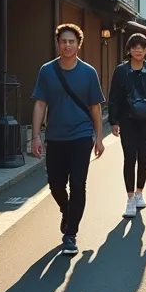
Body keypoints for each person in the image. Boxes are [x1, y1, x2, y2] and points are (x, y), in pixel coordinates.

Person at [30, 24, 107, 256]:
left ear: (78, 44)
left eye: (71, 41)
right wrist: (35, 136)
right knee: (55, 184)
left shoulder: (88, 72)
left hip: (81, 137)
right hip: (55, 137)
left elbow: (95, 108)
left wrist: (99, 138)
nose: (67, 45)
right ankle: (67, 210)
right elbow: (40, 104)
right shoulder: (47, 71)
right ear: (57, 44)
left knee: (78, 184)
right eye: (63, 41)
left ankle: (70, 234)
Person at [108, 33, 146, 219]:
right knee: (129, 158)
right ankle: (129, 198)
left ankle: (139, 192)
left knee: (144, 158)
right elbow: (114, 97)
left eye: (141, 46)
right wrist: (113, 121)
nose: (138, 50)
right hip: (127, 120)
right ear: (129, 49)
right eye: (134, 46)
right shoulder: (121, 71)